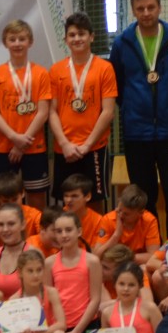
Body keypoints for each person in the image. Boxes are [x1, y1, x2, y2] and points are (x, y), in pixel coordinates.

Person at [112, 0, 168, 222]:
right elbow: (117, 84)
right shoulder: (122, 43)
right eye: (140, 8)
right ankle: (149, 241)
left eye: (151, 7)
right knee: (143, 196)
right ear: (133, 11)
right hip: (137, 132)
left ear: (160, 7)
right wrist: (131, 107)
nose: (146, 13)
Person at [0, 19, 58, 211]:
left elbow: (43, 111)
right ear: (5, 43)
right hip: (4, 146)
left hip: (34, 146)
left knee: (37, 202)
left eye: (22, 39)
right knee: (4, 199)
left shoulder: (41, 73)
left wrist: (23, 141)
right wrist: (14, 138)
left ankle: (35, 232)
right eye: (12, 39)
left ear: (30, 42)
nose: (17, 43)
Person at [48, 12, 118, 206]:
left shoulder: (105, 68)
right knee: (67, 202)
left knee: (94, 202)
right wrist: (64, 143)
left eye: (81, 34)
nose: (77, 38)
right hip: (65, 148)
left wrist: (87, 145)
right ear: (65, 39)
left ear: (91, 37)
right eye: (72, 35)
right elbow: (51, 111)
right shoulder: (56, 70)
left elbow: (108, 112)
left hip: (94, 148)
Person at [43, 208, 105, 333]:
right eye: (59, 231)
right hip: (60, 328)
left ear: (79, 231)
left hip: (85, 327)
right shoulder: (49, 263)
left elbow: (95, 299)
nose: (64, 235)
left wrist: (77, 332)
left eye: (68, 230)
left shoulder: (92, 261)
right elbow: (47, 300)